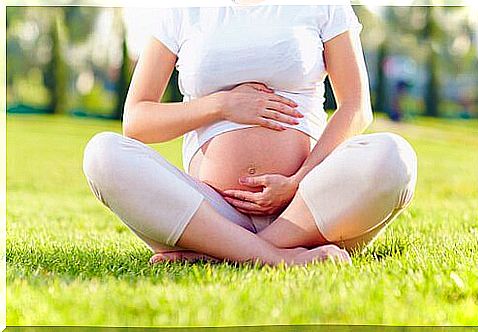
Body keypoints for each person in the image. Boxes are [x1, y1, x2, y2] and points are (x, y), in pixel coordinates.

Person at [82, 0, 418, 266]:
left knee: (394, 157)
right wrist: (223, 105)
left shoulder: (324, 4)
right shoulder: (183, 9)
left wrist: (298, 181)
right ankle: (276, 257)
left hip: (304, 208)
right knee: (103, 154)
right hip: (212, 212)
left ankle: (222, 252)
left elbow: (356, 107)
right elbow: (137, 120)